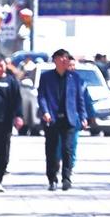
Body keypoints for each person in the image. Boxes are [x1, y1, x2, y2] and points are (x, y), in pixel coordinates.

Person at [37, 49, 86, 191]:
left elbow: (80, 99)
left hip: (69, 118)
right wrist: (45, 111)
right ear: (55, 60)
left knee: (67, 149)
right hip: (51, 118)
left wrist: (83, 117)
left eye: (66, 58)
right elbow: (41, 96)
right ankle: (52, 179)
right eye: (62, 58)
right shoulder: (46, 77)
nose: (65, 60)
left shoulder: (75, 77)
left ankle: (66, 178)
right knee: (51, 150)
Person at [0, 54, 24, 192]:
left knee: (3, 153)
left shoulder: (11, 81)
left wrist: (19, 116)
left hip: (4, 123)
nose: (0, 68)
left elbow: (17, 101)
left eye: (1, 65)